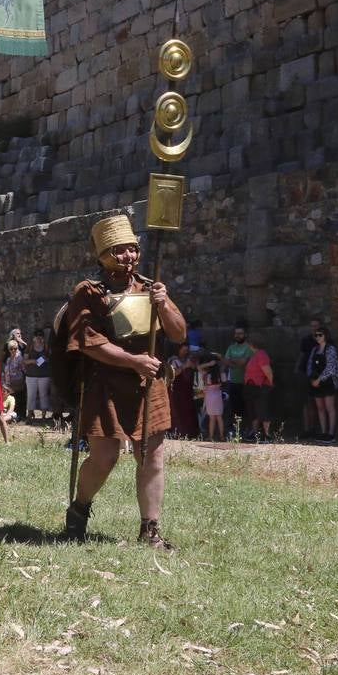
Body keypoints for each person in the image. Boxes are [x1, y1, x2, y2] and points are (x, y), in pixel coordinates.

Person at [62, 213, 185, 548]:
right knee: (105, 458)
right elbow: (87, 341)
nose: (127, 256)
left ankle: (150, 529)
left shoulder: (150, 288)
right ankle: (79, 509)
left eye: (131, 249)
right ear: (102, 254)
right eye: (118, 250)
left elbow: (178, 331)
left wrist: (163, 304)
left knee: (152, 456)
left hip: (149, 385)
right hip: (105, 383)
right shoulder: (87, 293)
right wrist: (134, 361)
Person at [306, 326, 338, 443]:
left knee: (329, 408)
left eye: (320, 335)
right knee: (320, 408)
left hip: (328, 382)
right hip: (316, 383)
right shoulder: (314, 350)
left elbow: (331, 367)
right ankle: (323, 432)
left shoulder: (331, 349)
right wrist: (311, 379)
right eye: (316, 335)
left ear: (325, 336)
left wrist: (319, 379)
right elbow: (310, 365)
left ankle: (331, 434)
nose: (318, 337)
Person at [295, 318, 322, 440]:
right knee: (306, 403)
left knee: (316, 403)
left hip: (318, 375)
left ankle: (315, 429)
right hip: (304, 372)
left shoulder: (323, 340)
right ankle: (307, 429)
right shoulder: (306, 340)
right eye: (312, 326)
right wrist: (296, 369)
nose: (314, 328)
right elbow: (301, 355)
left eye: (316, 326)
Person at [222, 324, 251, 439]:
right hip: (233, 382)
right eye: (236, 334)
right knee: (234, 408)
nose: (238, 336)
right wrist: (236, 362)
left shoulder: (248, 348)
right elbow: (225, 362)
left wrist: (233, 362)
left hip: (246, 382)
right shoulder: (231, 347)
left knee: (246, 408)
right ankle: (236, 430)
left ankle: (246, 430)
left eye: (240, 333)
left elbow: (243, 363)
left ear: (245, 335)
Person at [243, 335, 274, 442]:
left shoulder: (261, 354)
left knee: (263, 410)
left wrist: (270, 383)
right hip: (251, 387)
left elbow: (268, 371)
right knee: (253, 411)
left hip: (260, 387)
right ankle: (255, 433)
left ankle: (267, 434)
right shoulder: (254, 355)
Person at [22, 329, 53, 423]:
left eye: (41, 336)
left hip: (44, 375)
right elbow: (24, 361)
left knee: (43, 395)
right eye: (37, 336)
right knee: (31, 395)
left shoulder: (46, 347)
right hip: (31, 375)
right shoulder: (30, 347)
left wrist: (45, 359)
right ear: (33, 338)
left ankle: (43, 417)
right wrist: (33, 361)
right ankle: (30, 416)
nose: (39, 338)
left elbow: (51, 359)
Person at [169, 343, 198, 438]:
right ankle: (179, 433)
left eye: (186, 350)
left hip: (187, 390)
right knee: (178, 412)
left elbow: (195, 368)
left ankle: (190, 433)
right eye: (183, 350)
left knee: (189, 411)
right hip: (177, 391)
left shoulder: (188, 358)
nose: (185, 352)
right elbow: (173, 373)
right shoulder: (173, 360)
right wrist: (185, 366)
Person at [199, 352, 224, 442]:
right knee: (219, 417)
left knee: (212, 418)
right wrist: (219, 358)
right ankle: (222, 436)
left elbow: (199, 367)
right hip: (218, 395)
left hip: (209, 396)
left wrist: (209, 364)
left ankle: (211, 436)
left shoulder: (206, 374)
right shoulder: (220, 374)